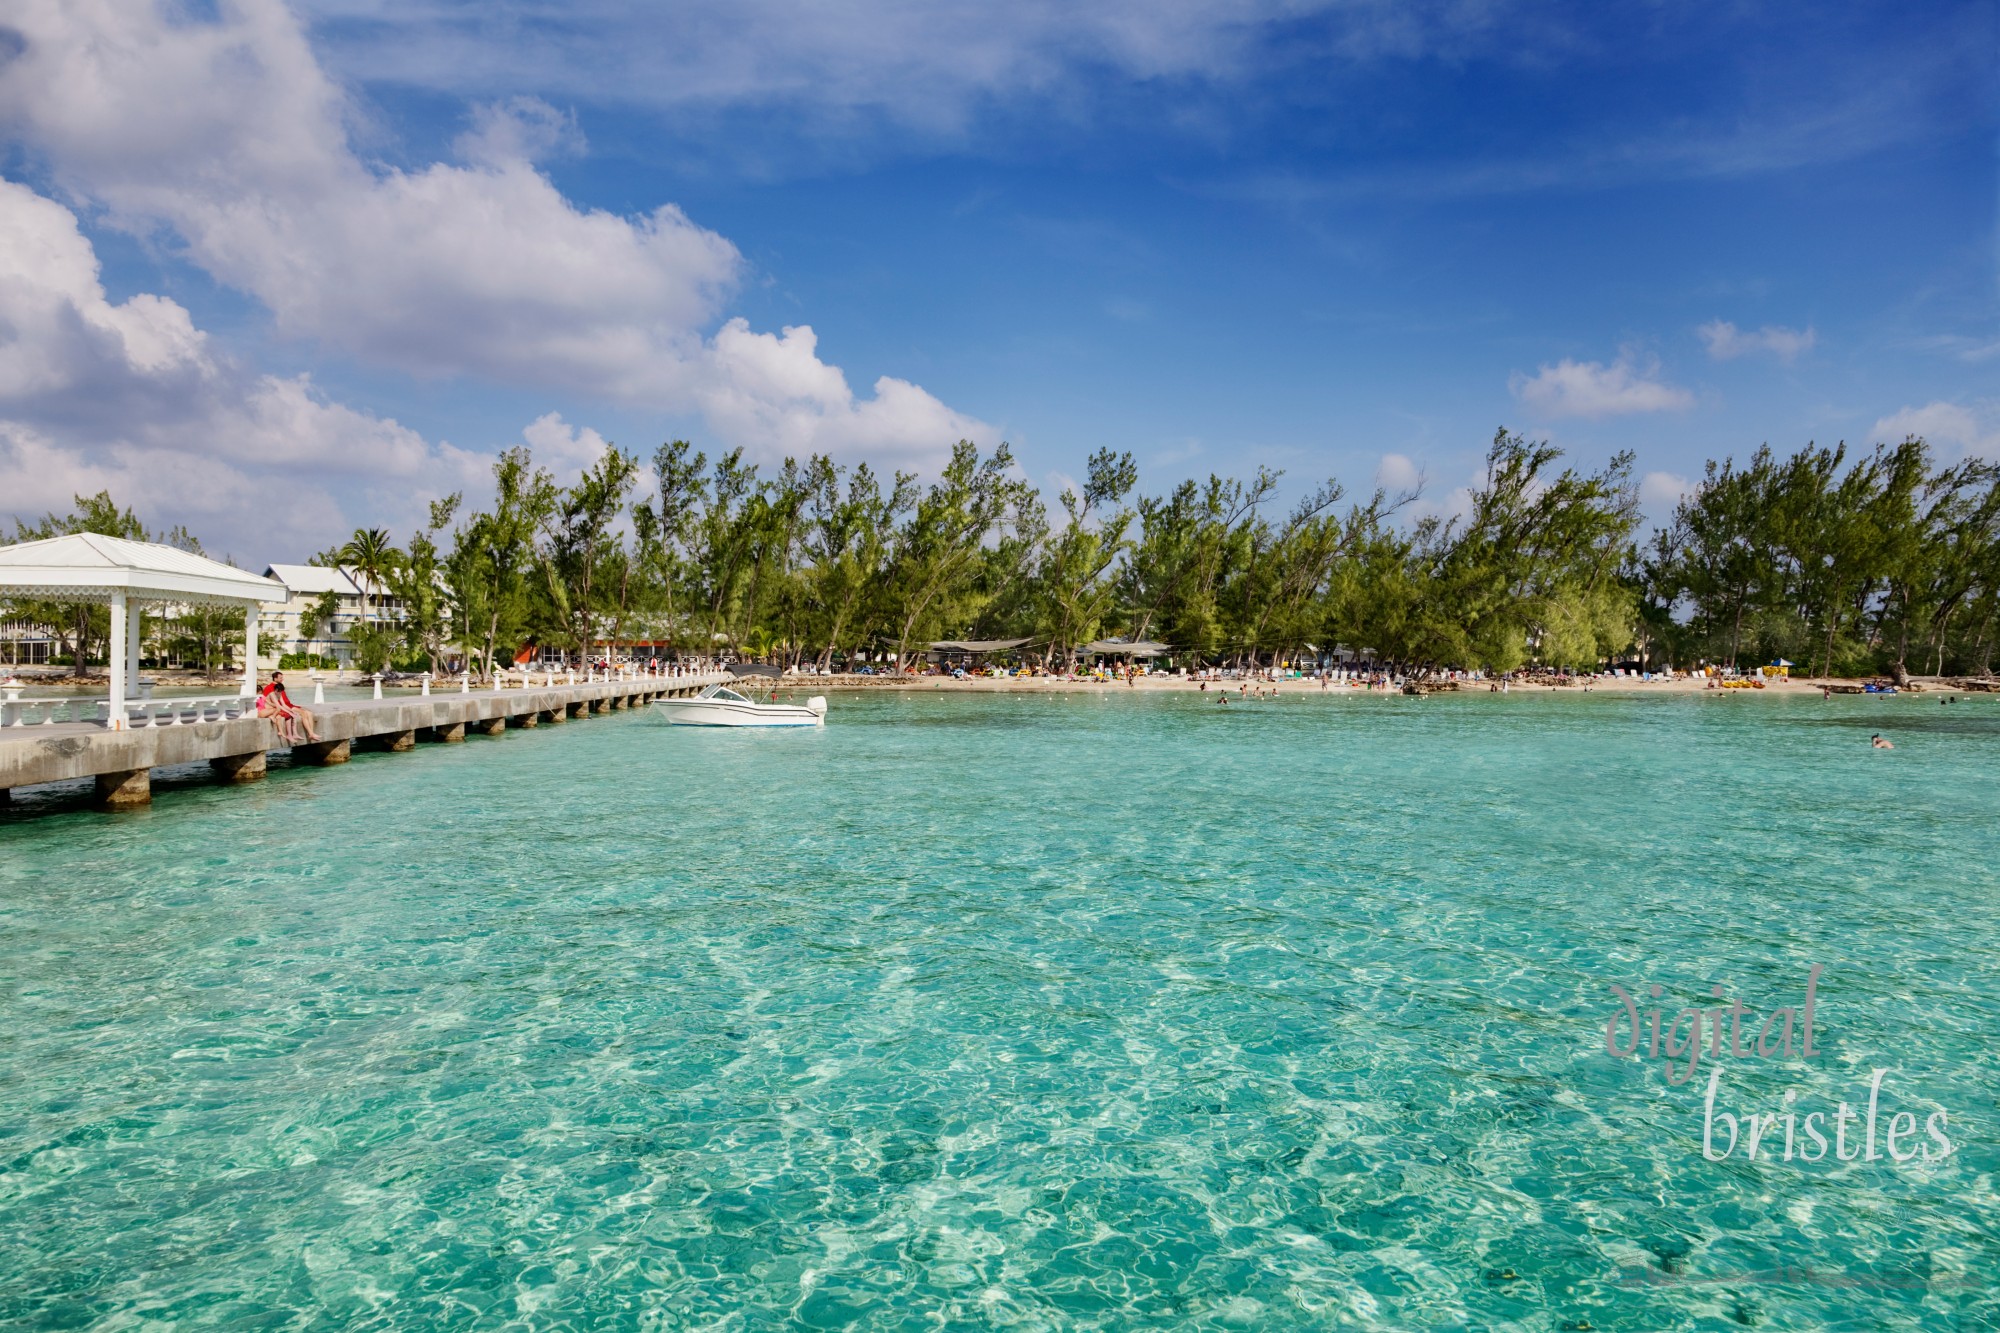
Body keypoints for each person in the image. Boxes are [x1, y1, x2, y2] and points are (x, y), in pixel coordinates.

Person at [260, 670, 321, 744]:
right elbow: (265, 699)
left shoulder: (280, 686)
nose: (282, 679)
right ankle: (310, 733)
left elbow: (282, 700)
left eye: (282, 678)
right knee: (304, 713)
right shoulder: (269, 688)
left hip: (289, 705)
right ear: (275, 678)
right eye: (280, 678)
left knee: (309, 713)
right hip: (283, 707)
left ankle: (311, 733)